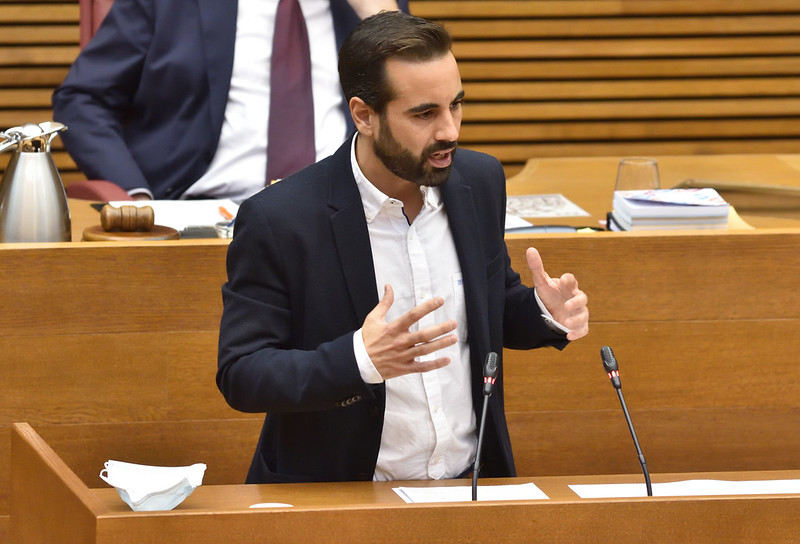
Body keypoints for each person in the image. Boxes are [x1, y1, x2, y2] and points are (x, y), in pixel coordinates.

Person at [217, 11, 590, 484]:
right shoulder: (280, 219)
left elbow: (485, 307)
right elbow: (243, 373)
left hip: (468, 486)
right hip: (342, 497)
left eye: (455, 105)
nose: (450, 131)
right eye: (424, 114)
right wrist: (359, 360)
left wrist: (543, 311)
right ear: (364, 115)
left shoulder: (480, 181)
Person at [51, 0, 405, 201]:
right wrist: (137, 197)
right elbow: (84, 99)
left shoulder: (369, 9)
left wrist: (382, 18)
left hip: (342, 213)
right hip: (204, 213)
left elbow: (419, 110)